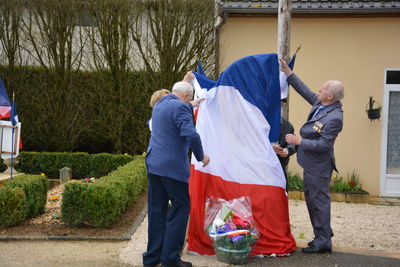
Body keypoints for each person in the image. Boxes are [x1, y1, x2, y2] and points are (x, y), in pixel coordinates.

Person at [279, 58, 344, 254]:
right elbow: (305, 90)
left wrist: (299, 142)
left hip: (320, 165)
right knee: (312, 200)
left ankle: (323, 241)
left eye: (323, 89)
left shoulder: (335, 117)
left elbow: (324, 145)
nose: (319, 90)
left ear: (330, 96)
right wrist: (289, 73)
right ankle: (322, 235)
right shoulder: (321, 103)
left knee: (319, 202)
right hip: (311, 163)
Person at [143, 81, 210, 267]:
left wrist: (191, 105)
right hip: (171, 169)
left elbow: (176, 109)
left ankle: (152, 258)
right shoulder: (181, 107)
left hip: (154, 165)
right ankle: (170, 259)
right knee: (180, 208)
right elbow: (191, 134)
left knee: (157, 211)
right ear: (187, 96)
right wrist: (201, 156)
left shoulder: (159, 105)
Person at [272, 98, 297, 191]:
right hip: (258, 172)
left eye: (281, 105)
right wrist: (269, 148)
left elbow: (293, 142)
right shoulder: (256, 121)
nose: (280, 107)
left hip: (279, 171)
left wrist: (287, 150)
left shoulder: (286, 124)